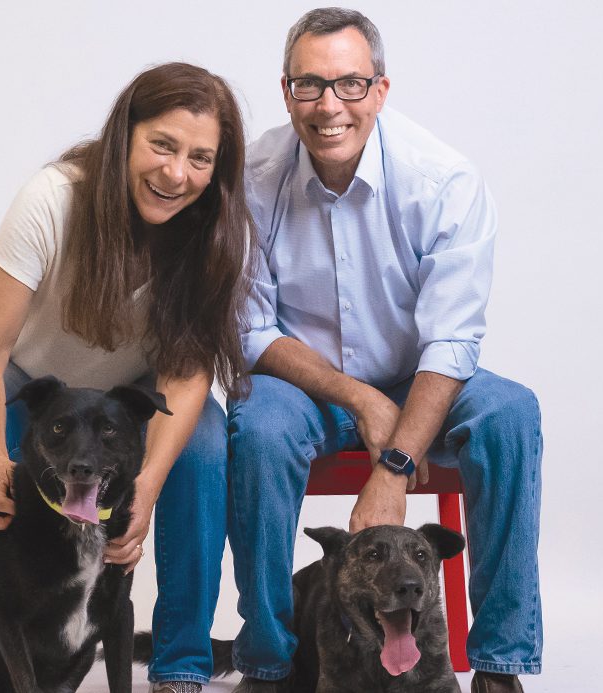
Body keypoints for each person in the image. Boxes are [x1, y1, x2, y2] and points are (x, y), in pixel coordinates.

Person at [153, 9, 543, 693]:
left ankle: (499, 662)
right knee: (260, 422)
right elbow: (250, 334)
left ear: (381, 90)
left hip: (421, 379)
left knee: (511, 412)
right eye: (310, 85)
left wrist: (393, 466)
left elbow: (451, 343)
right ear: (286, 91)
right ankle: (270, 660)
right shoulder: (251, 180)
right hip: (307, 388)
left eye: (350, 84)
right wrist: (359, 397)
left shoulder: (444, 182)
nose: (330, 105)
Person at [0, 62, 254, 692]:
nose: (176, 173)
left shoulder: (214, 232)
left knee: (205, 441)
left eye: (200, 158)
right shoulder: (53, 198)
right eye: (162, 145)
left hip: (127, 395)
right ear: (124, 138)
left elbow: (188, 376)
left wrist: (145, 487)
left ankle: (180, 662)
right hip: (26, 377)